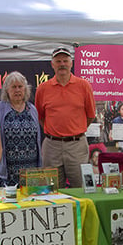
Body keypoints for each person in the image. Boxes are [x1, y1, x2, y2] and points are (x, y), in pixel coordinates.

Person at [35, 47, 96, 188]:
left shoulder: (84, 85)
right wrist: (56, 132)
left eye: (65, 60)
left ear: (71, 63)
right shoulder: (43, 88)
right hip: (52, 146)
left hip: (77, 145)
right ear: (52, 64)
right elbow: (41, 117)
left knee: (82, 187)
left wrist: (74, 130)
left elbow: (90, 115)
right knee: (52, 189)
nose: (62, 64)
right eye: (58, 61)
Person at [0, 71, 42, 187]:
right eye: (13, 87)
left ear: (25, 89)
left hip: (30, 170)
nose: (17, 90)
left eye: (20, 87)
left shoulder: (32, 109)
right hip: (7, 171)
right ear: (7, 90)